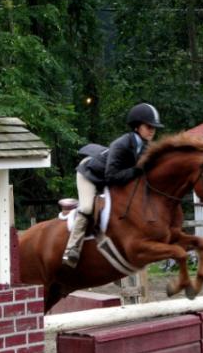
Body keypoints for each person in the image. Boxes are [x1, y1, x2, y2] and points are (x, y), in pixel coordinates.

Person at [62, 103, 164, 267]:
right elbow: (111, 176)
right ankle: (71, 249)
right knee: (87, 208)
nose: (152, 130)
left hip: (109, 179)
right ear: (137, 126)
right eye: (149, 126)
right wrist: (137, 170)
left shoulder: (146, 147)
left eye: (154, 127)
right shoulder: (121, 145)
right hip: (90, 174)